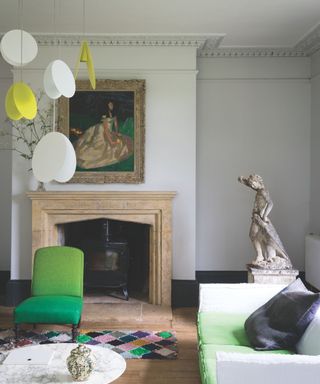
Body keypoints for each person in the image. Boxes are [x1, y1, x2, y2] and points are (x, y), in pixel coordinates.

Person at [238, 174, 292, 270]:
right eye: (251, 184)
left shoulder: (263, 191)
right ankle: (261, 256)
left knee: (253, 235)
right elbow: (252, 185)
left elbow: (270, 203)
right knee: (255, 236)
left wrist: (265, 215)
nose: (252, 186)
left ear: (258, 182)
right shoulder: (259, 190)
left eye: (253, 184)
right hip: (256, 217)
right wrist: (244, 181)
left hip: (259, 218)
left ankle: (260, 256)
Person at [73, 101, 133, 169]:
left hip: (109, 130)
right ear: (107, 106)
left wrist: (117, 132)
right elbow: (106, 129)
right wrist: (110, 141)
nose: (111, 106)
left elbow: (116, 124)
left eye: (112, 104)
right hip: (101, 130)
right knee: (100, 144)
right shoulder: (104, 115)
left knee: (121, 140)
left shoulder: (114, 114)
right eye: (109, 105)